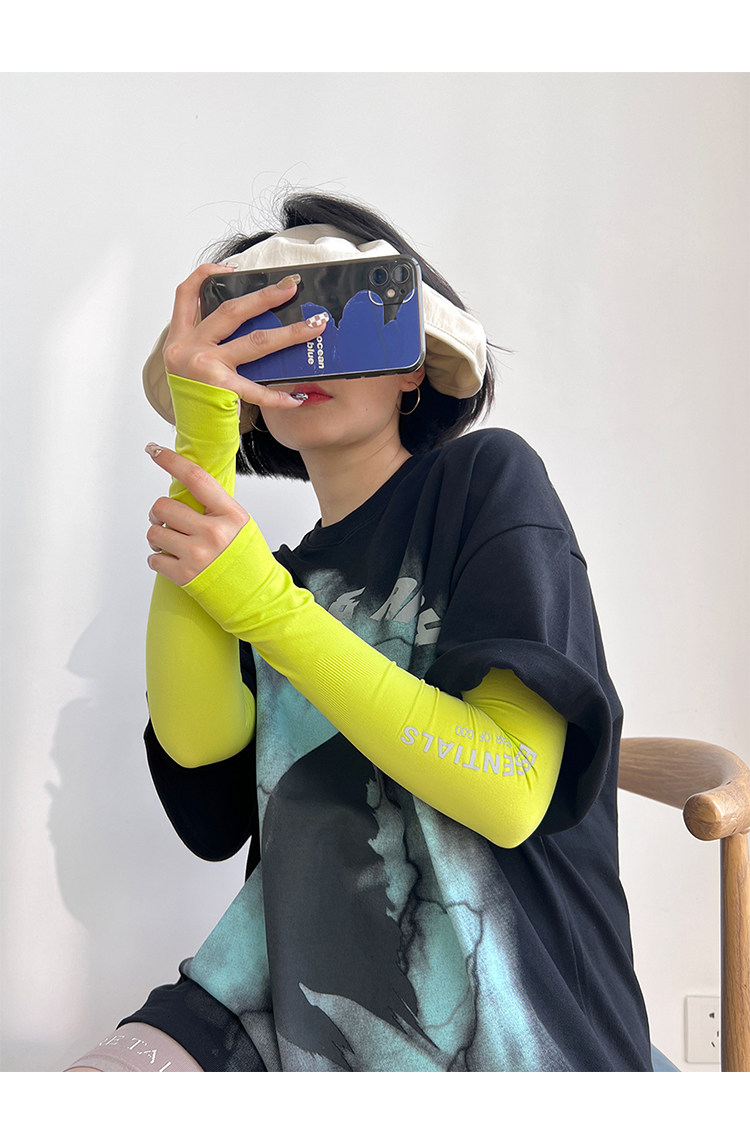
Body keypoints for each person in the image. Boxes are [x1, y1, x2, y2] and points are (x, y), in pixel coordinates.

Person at [66, 192, 653, 1072]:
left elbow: (510, 792)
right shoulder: (266, 573)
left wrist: (265, 606)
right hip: (279, 1002)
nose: (306, 351)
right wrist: (205, 430)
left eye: (339, 326)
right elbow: (199, 752)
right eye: (267, 335)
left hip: (519, 1021)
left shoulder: (487, 483)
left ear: (414, 368)